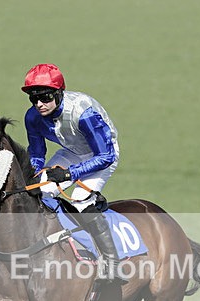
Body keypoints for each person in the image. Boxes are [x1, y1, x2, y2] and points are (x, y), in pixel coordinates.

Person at [21, 63, 125, 283]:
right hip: (71, 152)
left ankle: (112, 262)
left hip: (103, 155)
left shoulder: (83, 112)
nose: (39, 104)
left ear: (59, 93)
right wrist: (34, 174)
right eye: (33, 98)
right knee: (39, 191)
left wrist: (69, 175)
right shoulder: (32, 117)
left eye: (46, 97)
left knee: (79, 199)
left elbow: (104, 156)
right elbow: (37, 154)